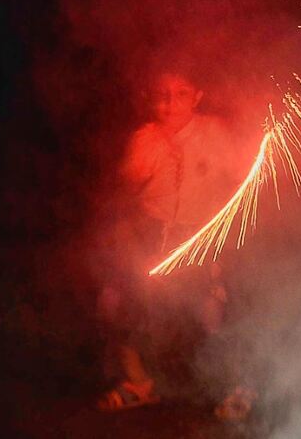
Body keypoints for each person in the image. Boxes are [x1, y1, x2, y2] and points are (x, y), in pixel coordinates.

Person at [95, 68, 252, 418]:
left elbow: (246, 177)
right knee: (121, 304)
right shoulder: (145, 139)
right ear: (151, 99)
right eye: (162, 95)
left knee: (211, 313)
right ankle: (138, 383)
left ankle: (237, 386)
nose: (170, 104)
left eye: (180, 94)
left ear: (196, 97)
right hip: (152, 235)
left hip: (198, 238)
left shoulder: (214, 134)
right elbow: (126, 186)